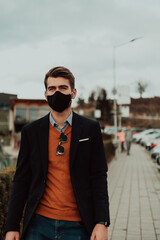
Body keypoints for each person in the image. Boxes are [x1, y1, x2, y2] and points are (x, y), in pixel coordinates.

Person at [5, 66, 110, 240]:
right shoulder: (31, 132)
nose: (57, 93)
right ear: (45, 94)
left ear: (73, 92)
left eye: (63, 88)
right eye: (52, 89)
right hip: (38, 226)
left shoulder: (90, 129)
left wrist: (102, 222)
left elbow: (99, 176)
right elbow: (21, 180)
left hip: (79, 226)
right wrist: (12, 226)